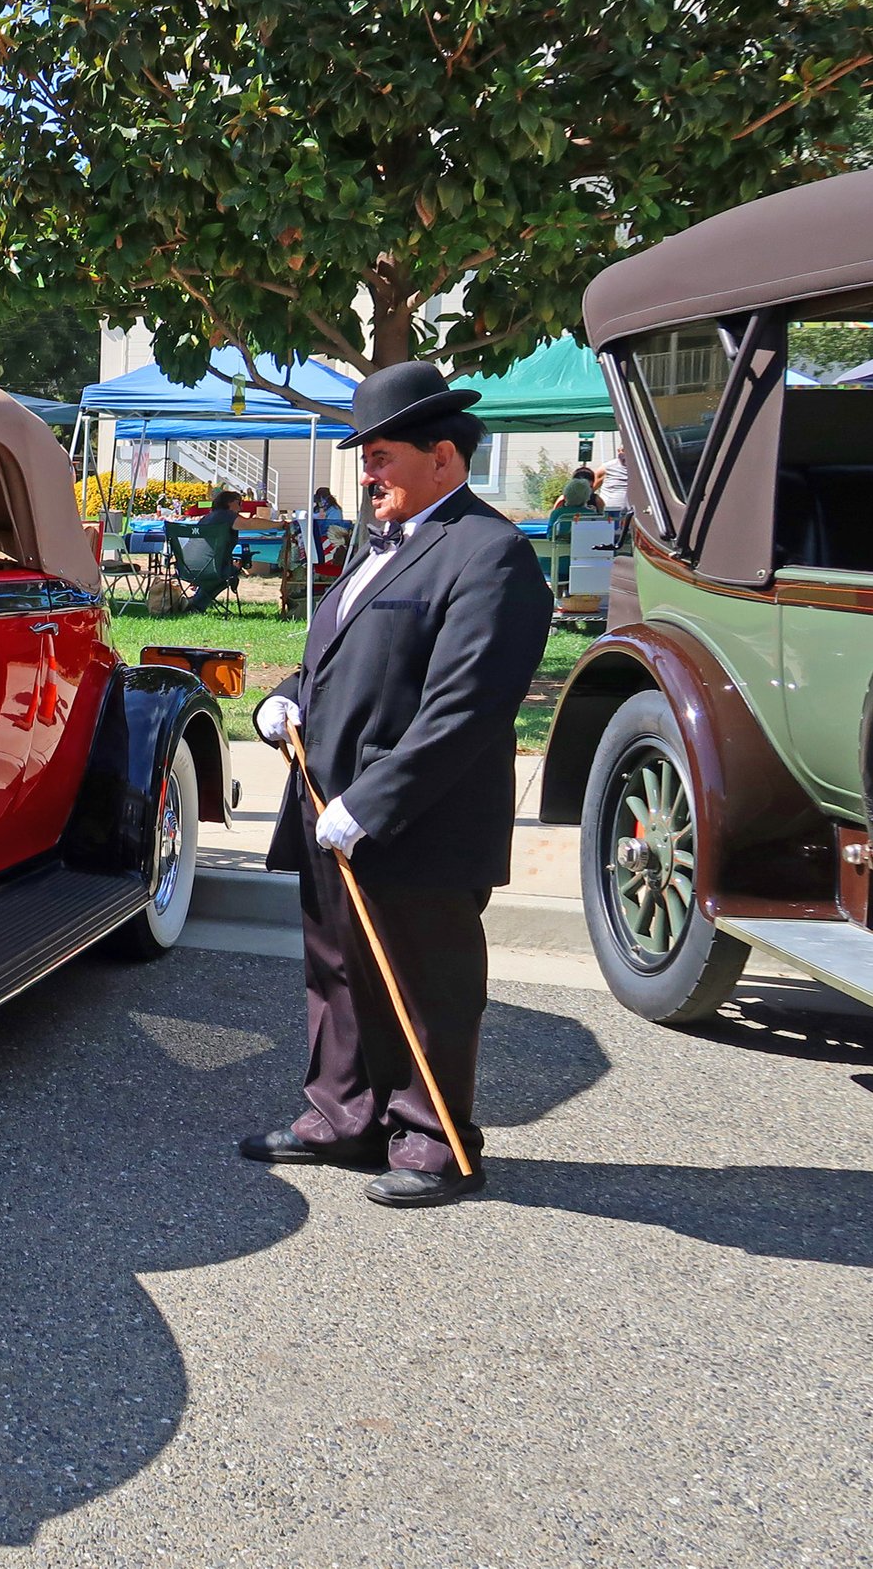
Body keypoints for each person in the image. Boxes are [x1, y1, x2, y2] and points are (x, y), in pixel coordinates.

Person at [243, 361, 552, 1207]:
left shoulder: (491, 556)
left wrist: (372, 805)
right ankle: (342, 1115)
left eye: (379, 455)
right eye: (365, 456)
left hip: (419, 822)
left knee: (427, 982)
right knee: (339, 970)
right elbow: (331, 660)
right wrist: (283, 700)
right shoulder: (382, 548)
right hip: (329, 806)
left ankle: (435, 1139)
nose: (366, 473)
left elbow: (465, 708)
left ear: (442, 459)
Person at [181, 488, 250, 612]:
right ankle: (196, 605)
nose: (241, 507)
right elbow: (249, 524)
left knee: (220, 573)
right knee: (230, 573)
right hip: (210, 570)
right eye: (239, 502)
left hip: (185, 568)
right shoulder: (227, 516)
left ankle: (195, 604)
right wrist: (278, 524)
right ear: (229, 503)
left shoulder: (207, 518)